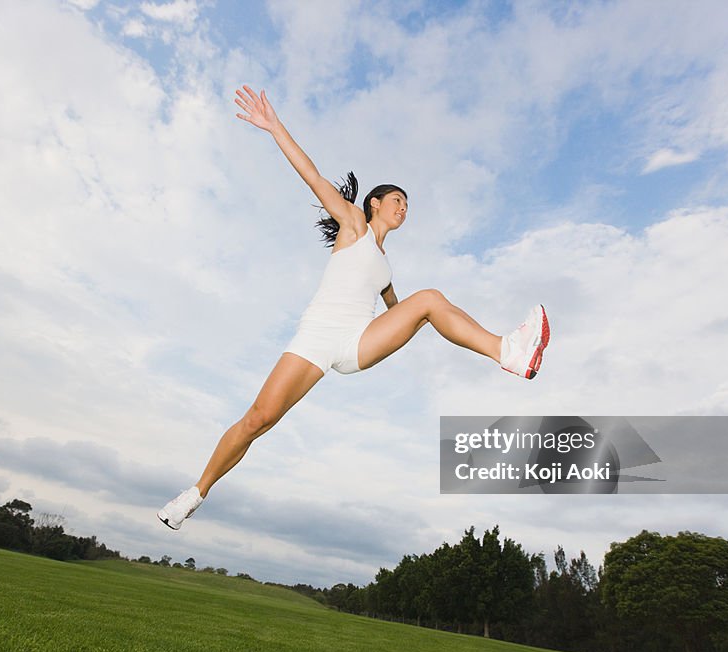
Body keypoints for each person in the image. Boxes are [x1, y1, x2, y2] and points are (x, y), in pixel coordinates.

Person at [157, 86, 550, 530]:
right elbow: (313, 175)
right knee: (257, 420)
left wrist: (410, 322)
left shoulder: (385, 268)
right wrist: (273, 126)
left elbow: (402, 310)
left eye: (408, 203)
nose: (404, 207)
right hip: (317, 337)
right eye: (397, 199)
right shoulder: (353, 225)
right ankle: (195, 493)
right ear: (374, 204)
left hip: (358, 343)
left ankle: (509, 351)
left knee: (429, 301)